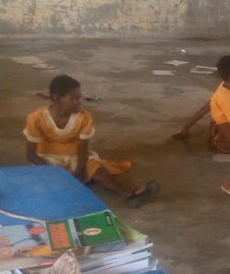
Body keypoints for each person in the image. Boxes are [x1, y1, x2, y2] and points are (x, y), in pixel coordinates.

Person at [24, 74, 159, 208]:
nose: (79, 102)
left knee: (97, 170)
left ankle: (129, 195)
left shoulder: (84, 118)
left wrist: (78, 172)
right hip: (48, 158)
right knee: (43, 179)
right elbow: (31, 155)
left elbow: (83, 150)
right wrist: (56, 172)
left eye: (80, 97)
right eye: (73, 99)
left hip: (76, 157)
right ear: (56, 98)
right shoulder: (36, 118)